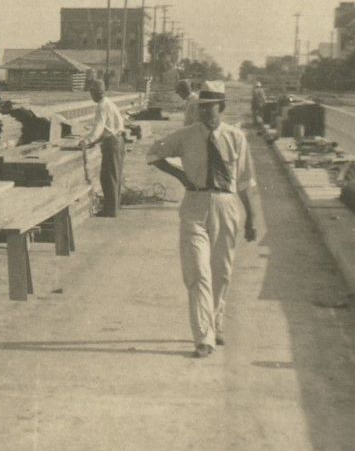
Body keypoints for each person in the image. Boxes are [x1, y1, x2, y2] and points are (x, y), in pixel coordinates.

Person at [149, 80, 258, 357]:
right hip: (195, 205)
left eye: (211, 107)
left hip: (226, 205)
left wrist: (251, 218)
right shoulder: (186, 136)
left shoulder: (236, 138)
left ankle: (216, 322)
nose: (206, 112)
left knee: (222, 272)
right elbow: (153, 153)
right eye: (202, 107)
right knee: (197, 271)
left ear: (222, 107)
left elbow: (245, 182)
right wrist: (179, 175)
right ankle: (203, 337)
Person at [75, 74, 129, 217]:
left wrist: (87, 141)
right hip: (118, 140)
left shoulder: (102, 106)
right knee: (114, 176)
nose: (91, 95)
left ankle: (110, 210)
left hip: (112, 143)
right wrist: (94, 140)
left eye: (91, 92)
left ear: (95, 92)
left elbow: (99, 127)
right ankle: (114, 207)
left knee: (108, 177)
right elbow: (107, 127)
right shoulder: (109, 103)